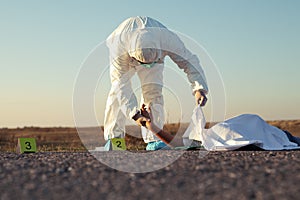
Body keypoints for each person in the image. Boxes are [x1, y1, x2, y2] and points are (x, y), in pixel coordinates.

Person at [104, 16, 208, 150]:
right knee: (116, 94)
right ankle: (115, 140)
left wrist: (199, 88)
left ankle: (154, 139)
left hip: (156, 57)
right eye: (143, 64)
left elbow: (188, 61)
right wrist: (134, 114)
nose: (146, 67)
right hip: (125, 56)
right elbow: (121, 86)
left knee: (153, 92)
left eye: (149, 63)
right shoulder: (119, 44)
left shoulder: (168, 40)